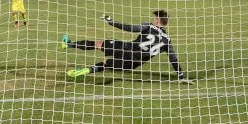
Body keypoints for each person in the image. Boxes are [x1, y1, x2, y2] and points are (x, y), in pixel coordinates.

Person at [61, 10, 192, 83]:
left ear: (158, 20)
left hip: (126, 49)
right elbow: (173, 59)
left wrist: (111, 22)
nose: (153, 19)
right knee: (107, 63)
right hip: (135, 63)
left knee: (98, 44)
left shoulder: (149, 26)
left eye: (155, 18)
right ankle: (86, 70)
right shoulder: (167, 40)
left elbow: (130, 28)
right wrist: (181, 76)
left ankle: (68, 44)